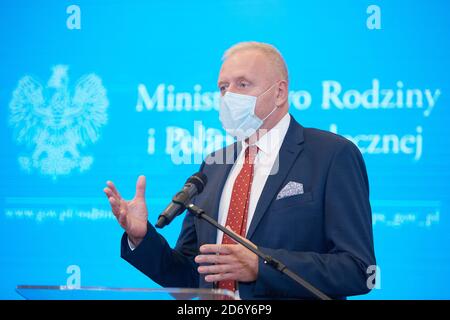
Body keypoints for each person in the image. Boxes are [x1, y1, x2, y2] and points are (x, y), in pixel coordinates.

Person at [103, 41, 376, 300]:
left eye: (242, 84)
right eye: (223, 88)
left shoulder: (331, 154)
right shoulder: (214, 165)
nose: (229, 96)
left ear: (280, 92)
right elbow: (189, 278)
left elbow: (359, 270)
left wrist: (261, 266)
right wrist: (141, 238)